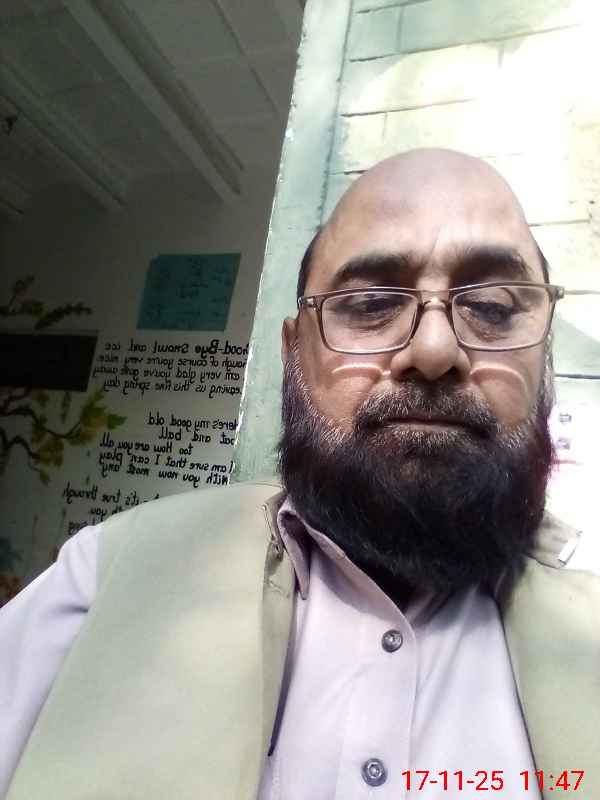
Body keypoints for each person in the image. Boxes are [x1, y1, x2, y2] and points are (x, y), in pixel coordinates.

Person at [1, 148, 599, 800]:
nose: (434, 350)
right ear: (294, 355)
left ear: (544, 354)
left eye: (493, 305)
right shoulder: (105, 576)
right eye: (370, 302)